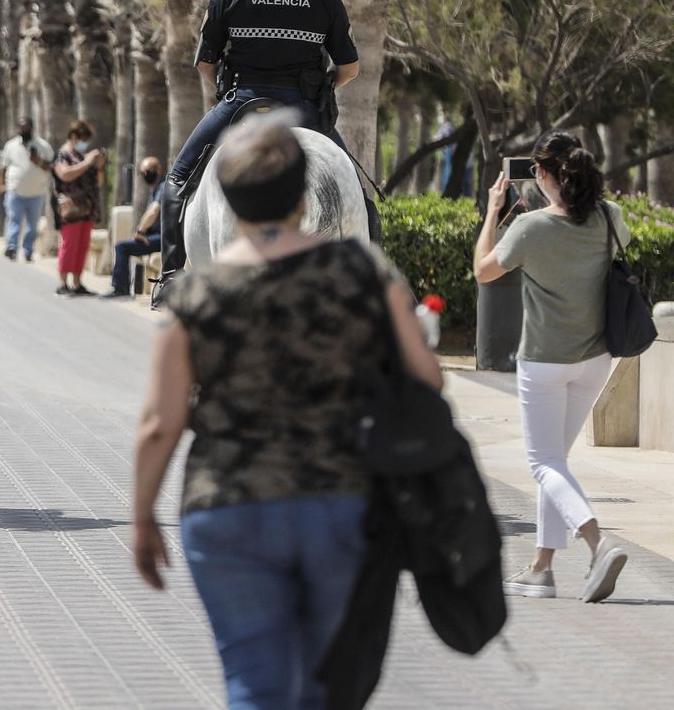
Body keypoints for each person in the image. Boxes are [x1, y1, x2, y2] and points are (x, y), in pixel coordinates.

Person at [132, 114, 441, 709]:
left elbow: (158, 424)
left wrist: (143, 518)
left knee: (255, 683)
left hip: (228, 510)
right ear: (306, 192)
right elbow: (425, 379)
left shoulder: (197, 293)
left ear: (227, 194)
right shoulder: (363, 273)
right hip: (342, 506)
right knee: (329, 685)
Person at [155, 0, 370, 304]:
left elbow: (205, 64)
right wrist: (324, 88)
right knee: (359, 195)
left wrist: (225, 87)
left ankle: (169, 277)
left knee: (177, 182)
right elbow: (351, 68)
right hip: (304, 109)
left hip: (242, 102)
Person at [474, 130, 632, 603]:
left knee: (543, 463)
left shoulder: (531, 227)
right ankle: (541, 569)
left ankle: (597, 542)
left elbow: (483, 271)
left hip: (544, 361)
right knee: (556, 463)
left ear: (541, 174)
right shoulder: (612, 218)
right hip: (596, 359)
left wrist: (492, 212)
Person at [52, 120, 103, 297]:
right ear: (74, 137)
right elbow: (65, 175)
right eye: (83, 139)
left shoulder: (82, 155)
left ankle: (77, 282)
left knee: (82, 245)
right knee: (69, 245)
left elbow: (98, 182)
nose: (85, 143)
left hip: (87, 208)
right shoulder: (63, 155)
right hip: (70, 209)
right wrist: (87, 163)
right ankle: (62, 282)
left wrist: (99, 166)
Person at [105, 155, 165, 299]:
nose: (146, 174)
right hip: (155, 235)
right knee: (123, 246)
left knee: (122, 247)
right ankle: (121, 285)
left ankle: (120, 287)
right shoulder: (156, 188)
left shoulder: (163, 186)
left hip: (163, 237)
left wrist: (140, 231)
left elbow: (154, 211)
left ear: (159, 169)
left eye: (149, 170)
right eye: (143, 171)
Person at [0, 116, 54, 262]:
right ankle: (11, 247)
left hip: (36, 193)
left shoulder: (43, 146)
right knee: (14, 220)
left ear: (32, 128)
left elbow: (51, 167)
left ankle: (28, 250)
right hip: (15, 190)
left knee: (32, 225)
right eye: (21, 127)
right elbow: (3, 167)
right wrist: (2, 184)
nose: (23, 130)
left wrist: (38, 161)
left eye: (26, 127)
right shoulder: (11, 145)